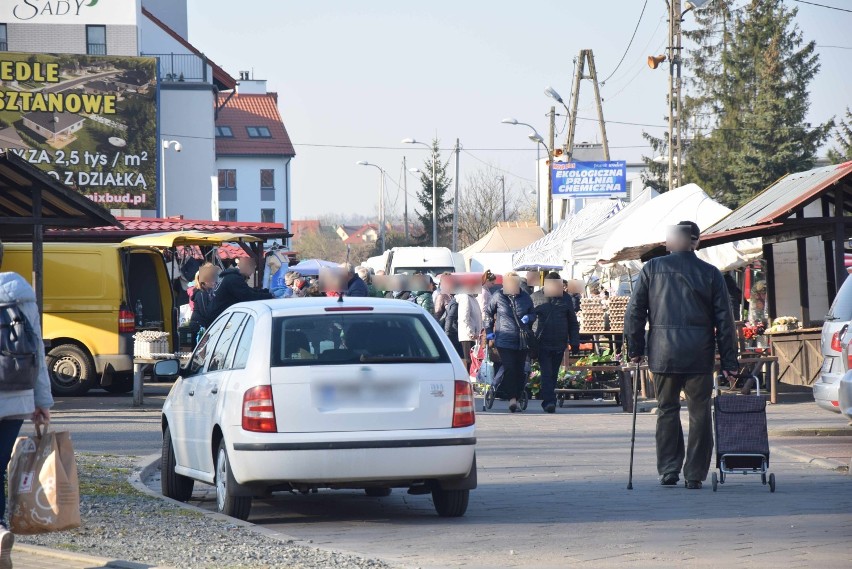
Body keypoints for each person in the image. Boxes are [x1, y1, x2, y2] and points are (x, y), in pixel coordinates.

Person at [625, 221, 738, 490]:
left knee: (667, 409)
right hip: (699, 353)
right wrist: (730, 362)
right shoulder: (711, 273)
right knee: (700, 412)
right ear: (695, 242)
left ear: (676, 242)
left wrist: (635, 349)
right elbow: (725, 321)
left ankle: (668, 468)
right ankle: (695, 473)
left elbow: (634, 313)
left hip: (663, 352)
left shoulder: (652, 269)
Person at [0, 239, 53, 565]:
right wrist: (42, 400)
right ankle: (1, 528)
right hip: (17, 397)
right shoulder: (20, 294)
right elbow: (38, 352)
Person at [484, 271, 536, 413]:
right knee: (509, 368)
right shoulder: (499, 296)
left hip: (522, 339)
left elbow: (533, 313)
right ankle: (512, 399)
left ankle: (517, 398)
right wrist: (489, 330)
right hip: (504, 339)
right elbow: (488, 312)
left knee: (520, 371)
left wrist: (529, 318)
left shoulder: (525, 297)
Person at [532, 272, 581, 413]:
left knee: (553, 373)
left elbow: (572, 322)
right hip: (542, 342)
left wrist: (574, 341)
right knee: (546, 372)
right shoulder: (535, 297)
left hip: (559, 343)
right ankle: (549, 401)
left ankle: (548, 398)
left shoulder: (565, 299)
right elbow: (528, 319)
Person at [209, 257, 273, 323]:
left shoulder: (230, 277)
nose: (253, 272)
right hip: (219, 319)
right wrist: (270, 296)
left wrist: (266, 292)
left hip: (218, 316)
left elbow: (248, 290)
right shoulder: (234, 279)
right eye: (252, 269)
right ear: (247, 267)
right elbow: (248, 296)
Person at [188, 263, 220, 343]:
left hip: (203, 325)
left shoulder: (209, 293)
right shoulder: (201, 293)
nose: (214, 281)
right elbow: (205, 312)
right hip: (198, 326)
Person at [456, 289, 482, 372]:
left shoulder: (473, 298)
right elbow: (464, 317)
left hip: (474, 336)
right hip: (467, 336)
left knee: (472, 361)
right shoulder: (465, 297)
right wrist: (470, 332)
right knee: (468, 361)